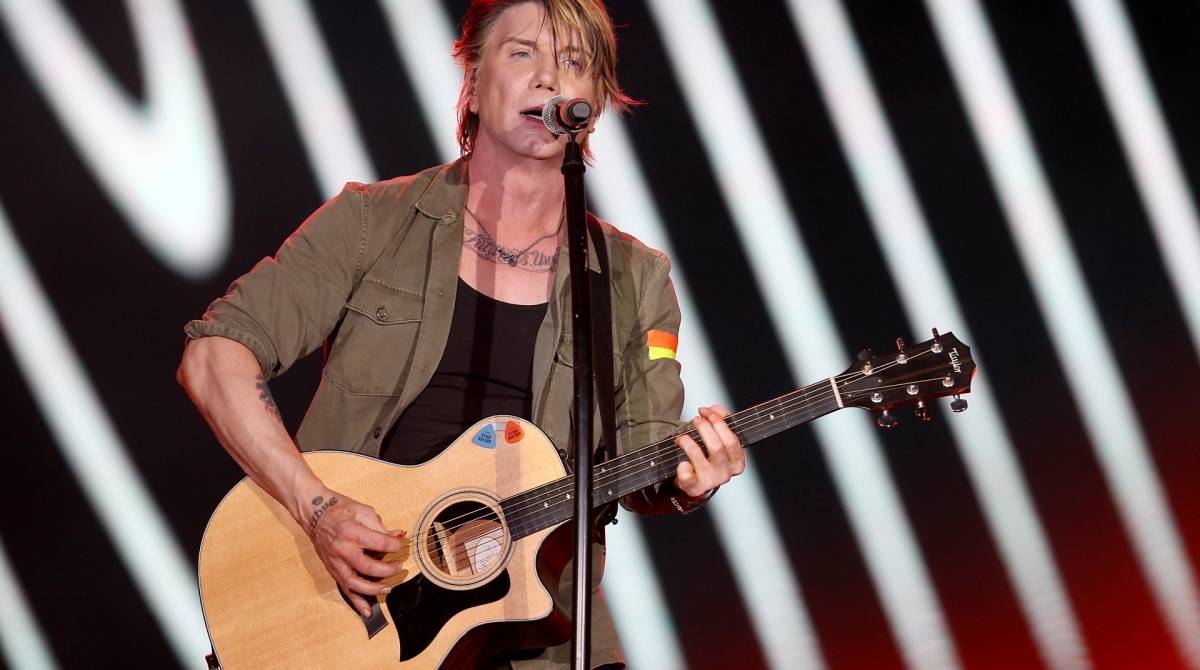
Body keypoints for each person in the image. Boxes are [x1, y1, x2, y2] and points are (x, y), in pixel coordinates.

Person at [178, 1, 746, 667]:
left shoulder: (635, 279)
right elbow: (214, 357)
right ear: (473, 83)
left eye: (573, 62)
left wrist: (690, 478)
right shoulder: (370, 222)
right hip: (349, 616)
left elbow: (647, 463)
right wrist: (318, 509)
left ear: (591, 105)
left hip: (540, 632)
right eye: (523, 52)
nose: (548, 77)